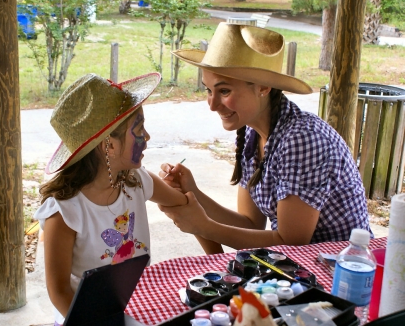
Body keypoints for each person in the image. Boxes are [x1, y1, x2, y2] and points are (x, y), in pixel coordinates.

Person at [158, 22, 372, 254]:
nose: (212, 105)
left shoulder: (301, 139)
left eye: (224, 91)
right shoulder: (251, 133)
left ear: (263, 87)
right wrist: (193, 194)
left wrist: (204, 227)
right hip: (295, 272)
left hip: (340, 271)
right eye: (209, 90)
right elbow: (250, 224)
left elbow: (292, 243)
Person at [33, 72, 188, 326]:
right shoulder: (63, 213)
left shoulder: (136, 180)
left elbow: (181, 203)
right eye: (138, 129)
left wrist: (186, 191)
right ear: (109, 146)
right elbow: (59, 291)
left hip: (131, 308)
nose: (146, 137)